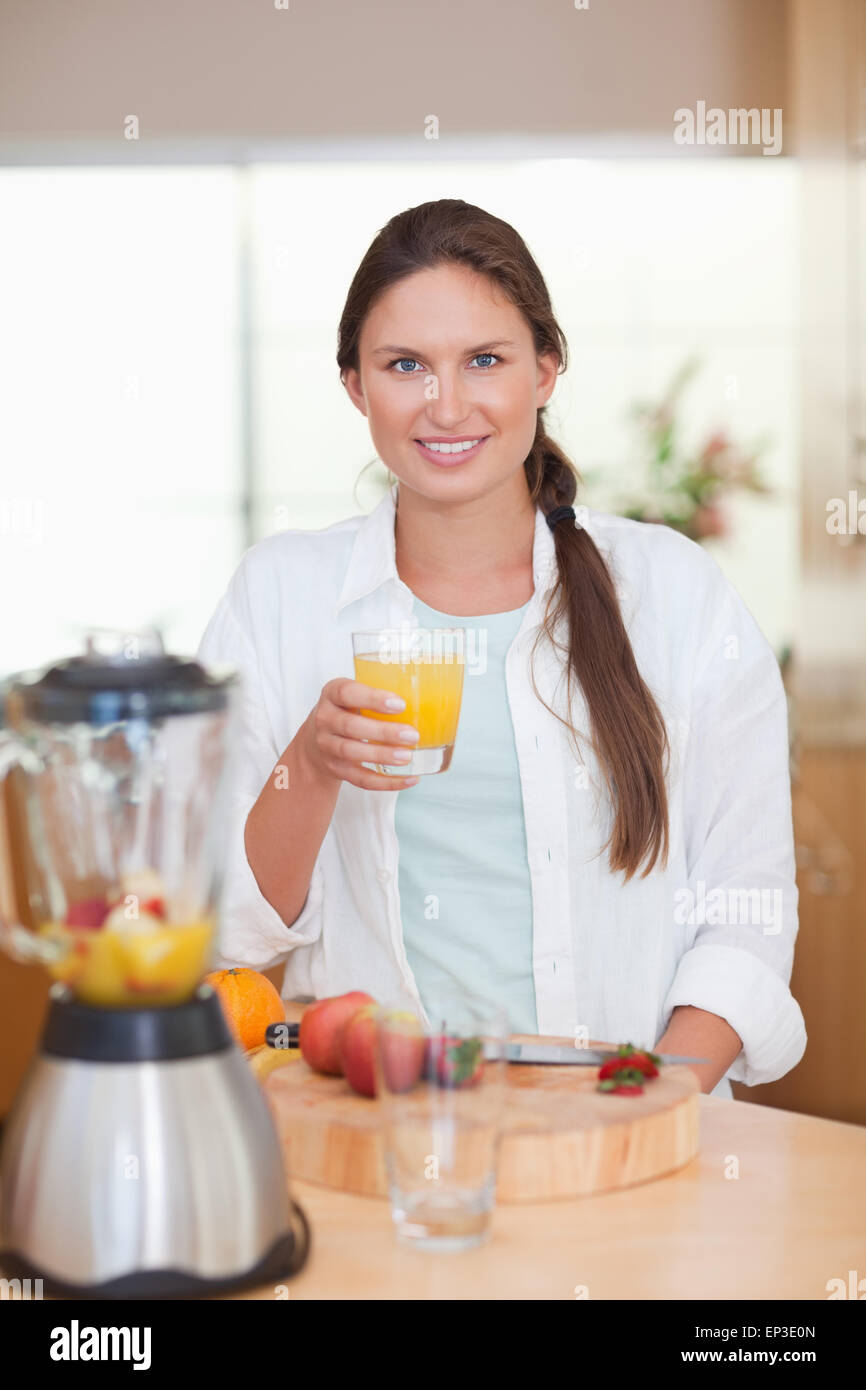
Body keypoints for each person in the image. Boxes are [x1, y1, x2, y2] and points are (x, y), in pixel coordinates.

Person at [196, 198, 806, 1099]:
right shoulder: (281, 595)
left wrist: (649, 1106)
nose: (447, 405)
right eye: (405, 365)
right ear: (356, 386)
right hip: (375, 1129)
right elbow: (225, 935)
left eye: (485, 360)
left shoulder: (673, 594)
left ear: (546, 370)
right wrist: (312, 766)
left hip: (630, 1133)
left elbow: (746, 904)